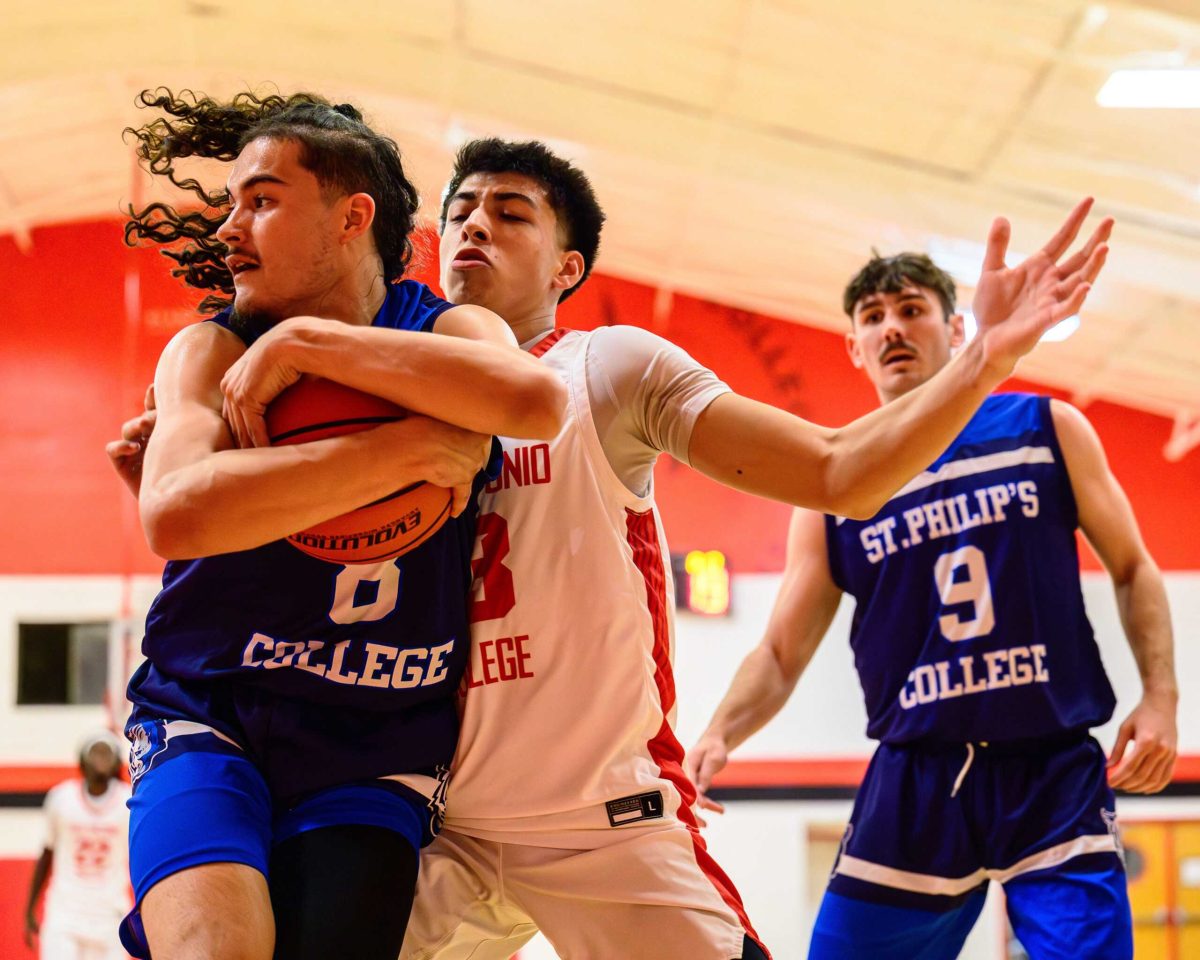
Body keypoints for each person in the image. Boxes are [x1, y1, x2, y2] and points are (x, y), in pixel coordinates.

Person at [112, 139, 1110, 960]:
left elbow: (839, 469)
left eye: (512, 213)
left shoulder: (610, 364)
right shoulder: (370, 377)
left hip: (602, 818)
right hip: (434, 816)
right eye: (460, 210)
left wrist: (982, 360)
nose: (474, 225)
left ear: (567, 268)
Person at [113, 92, 566, 960]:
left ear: (352, 215)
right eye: (233, 202)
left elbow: (537, 401)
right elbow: (174, 513)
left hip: (377, 735)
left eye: (262, 199)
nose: (230, 227)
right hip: (211, 709)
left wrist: (309, 348)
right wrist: (417, 449)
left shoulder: (450, 326)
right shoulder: (208, 350)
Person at [686, 251, 1178, 959]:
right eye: (872, 317)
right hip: (916, 779)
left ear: (954, 327)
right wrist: (719, 733)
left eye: (911, 309)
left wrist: (1160, 696)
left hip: (1049, 766)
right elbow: (779, 651)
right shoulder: (834, 482)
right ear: (852, 346)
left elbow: (1133, 567)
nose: (892, 328)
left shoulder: (1047, 427)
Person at [24, 732, 132, 960]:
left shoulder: (128, 801)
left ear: (117, 762)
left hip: (110, 914)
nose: (102, 757)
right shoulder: (61, 797)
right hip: (65, 913)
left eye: (107, 752)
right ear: (82, 759)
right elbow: (47, 853)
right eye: (96, 751)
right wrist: (30, 907)